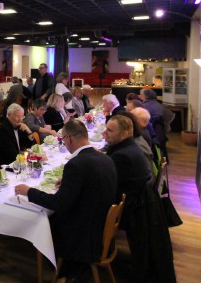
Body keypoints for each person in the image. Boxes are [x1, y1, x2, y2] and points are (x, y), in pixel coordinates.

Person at [15, 120, 118, 280]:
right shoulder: (105, 157)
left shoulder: (77, 164)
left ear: (69, 138)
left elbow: (59, 204)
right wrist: (70, 182)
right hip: (102, 225)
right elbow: (91, 182)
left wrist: (29, 192)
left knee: (44, 221)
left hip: (85, 236)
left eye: (63, 139)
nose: (64, 142)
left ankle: (66, 270)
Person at [102, 115, 175, 282]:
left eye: (109, 130)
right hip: (144, 203)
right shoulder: (130, 147)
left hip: (134, 208)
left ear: (125, 133)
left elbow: (107, 183)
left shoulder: (122, 156)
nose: (104, 133)